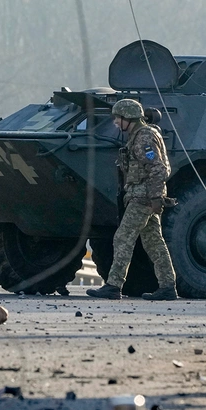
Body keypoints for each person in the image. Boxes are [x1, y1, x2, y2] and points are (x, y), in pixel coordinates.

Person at [87, 99, 177, 300]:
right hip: (143, 196)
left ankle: (113, 285)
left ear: (129, 117)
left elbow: (158, 168)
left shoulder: (144, 137)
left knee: (123, 237)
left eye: (118, 118)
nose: (115, 122)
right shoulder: (139, 135)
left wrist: (155, 197)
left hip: (143, 197)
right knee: (154, 242)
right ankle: (168, 286)